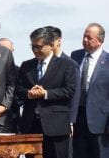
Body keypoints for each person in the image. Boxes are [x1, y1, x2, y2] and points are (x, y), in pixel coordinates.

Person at [16, 27, 76, 158]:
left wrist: (46, 93)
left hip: (56, 127)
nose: (35, 50)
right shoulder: (26, 65)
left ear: (51, 45)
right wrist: (28, 93)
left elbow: (69, 91)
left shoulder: (66, 65)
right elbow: (18, 89)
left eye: (39, 46)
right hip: (31, 125)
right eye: (32, 46)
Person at [71, 23, 109, 158]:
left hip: (100, 123)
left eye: (89, 37)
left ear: (100, 41)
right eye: (84, 36)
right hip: (78, 119)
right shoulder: (75, 56)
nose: (85, 40)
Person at [45, 26, 81, 158]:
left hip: (62, 120)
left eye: (49, 41)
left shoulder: (70, 63)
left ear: (58, 41)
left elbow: (74, 94)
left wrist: (70, 121)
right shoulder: (42, 62)